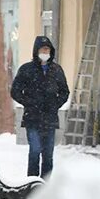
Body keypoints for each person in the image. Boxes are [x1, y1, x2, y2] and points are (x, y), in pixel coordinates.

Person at [10, 35, 70, 178]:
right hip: (33, 118)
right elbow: (15, 91)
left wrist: (55, 104)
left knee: (48, 154)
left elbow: (64, 91)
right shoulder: (27, 69)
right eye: (43, 49)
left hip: (50, 118)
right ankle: (32, 184)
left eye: (47, 49)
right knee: (35, 150)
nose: (45, 52)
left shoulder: (56, 70)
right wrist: (29, 102)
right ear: (36, 51)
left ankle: (45, 186)